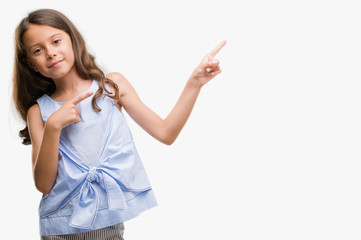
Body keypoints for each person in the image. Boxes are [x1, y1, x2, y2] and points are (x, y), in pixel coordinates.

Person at [12, 8, 226, 239]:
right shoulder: (39, 112)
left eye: (56, 41)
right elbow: (44, 185)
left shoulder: (111, 87)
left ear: (72, 40)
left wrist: (195, 83)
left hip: (109, 225)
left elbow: (166, 133)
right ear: (31, 64)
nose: (51, 53)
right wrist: (54, 126)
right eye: (38, 50)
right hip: (58, 229)